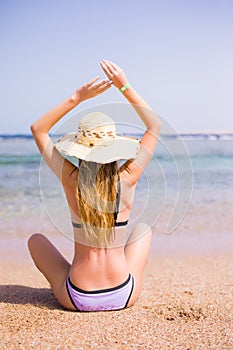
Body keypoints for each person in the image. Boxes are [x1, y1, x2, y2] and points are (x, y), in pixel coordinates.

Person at [28, 60, 161, 311]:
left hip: (77, 296)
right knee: (143, 229)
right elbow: (155, 126)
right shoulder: (129, 177)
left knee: (35, 240)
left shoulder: (71, 181)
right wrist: (124, 86)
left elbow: (38, 129)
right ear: (115, 149)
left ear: (79, 151)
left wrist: (78, 97)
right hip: (124, 293)